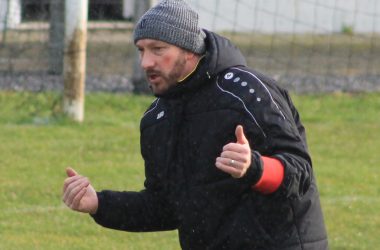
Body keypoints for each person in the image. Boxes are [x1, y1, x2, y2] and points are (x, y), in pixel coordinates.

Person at [62, 0, 328, 249]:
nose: (146, 62)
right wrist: (99, 204)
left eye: (158, 49)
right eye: (141, 50)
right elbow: (165, 207)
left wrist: (255, 168)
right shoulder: (156, 119)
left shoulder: (247, 92)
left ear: (189, 50)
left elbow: (299, 172)